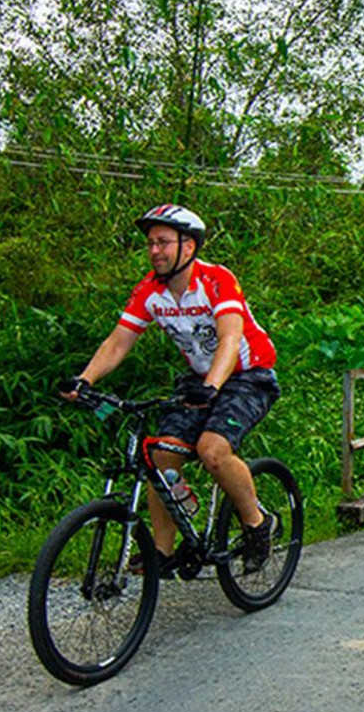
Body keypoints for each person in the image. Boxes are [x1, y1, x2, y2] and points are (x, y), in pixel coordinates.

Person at [60, 205, 280, 576]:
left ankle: (258, 524)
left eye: (163, 242)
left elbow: (230, 338)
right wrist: (85, 381)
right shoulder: (150, 291)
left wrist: (212, 386)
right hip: (199, 380)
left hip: (248, 374)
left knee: (213, 451)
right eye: (150, 243)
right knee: (159, 456)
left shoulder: (215, 281)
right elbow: (118, 342)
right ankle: (162, 552)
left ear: (189, 246)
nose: (155, 251)